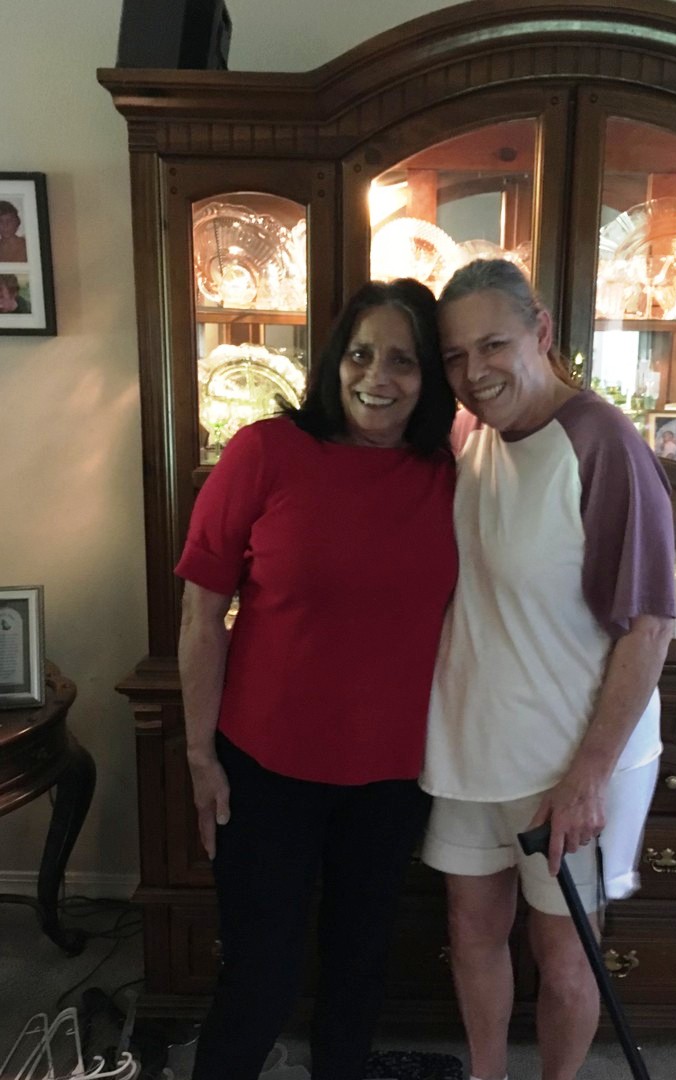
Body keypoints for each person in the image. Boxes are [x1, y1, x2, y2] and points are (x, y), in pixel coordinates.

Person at [175, 278, 457, 1080]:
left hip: (392, 776)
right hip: (265, 768)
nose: (377, 377)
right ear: (335, 361)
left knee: (360, 970)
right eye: (361, 354)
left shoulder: (451, 475)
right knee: (258, 976)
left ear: (430, 376)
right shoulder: (263, 452)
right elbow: (202, 615)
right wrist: (199, 756)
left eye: (403, 360)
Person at [420, 259, 676, 1080]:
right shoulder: (474, 438)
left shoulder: (602, 444)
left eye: (492, 344)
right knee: (472, 930)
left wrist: (588, 774)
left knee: (564, 955)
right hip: (472, 743)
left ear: (541, 331)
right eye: (455, 355)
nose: (474, 371)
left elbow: (650, 625)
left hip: (569, 756)